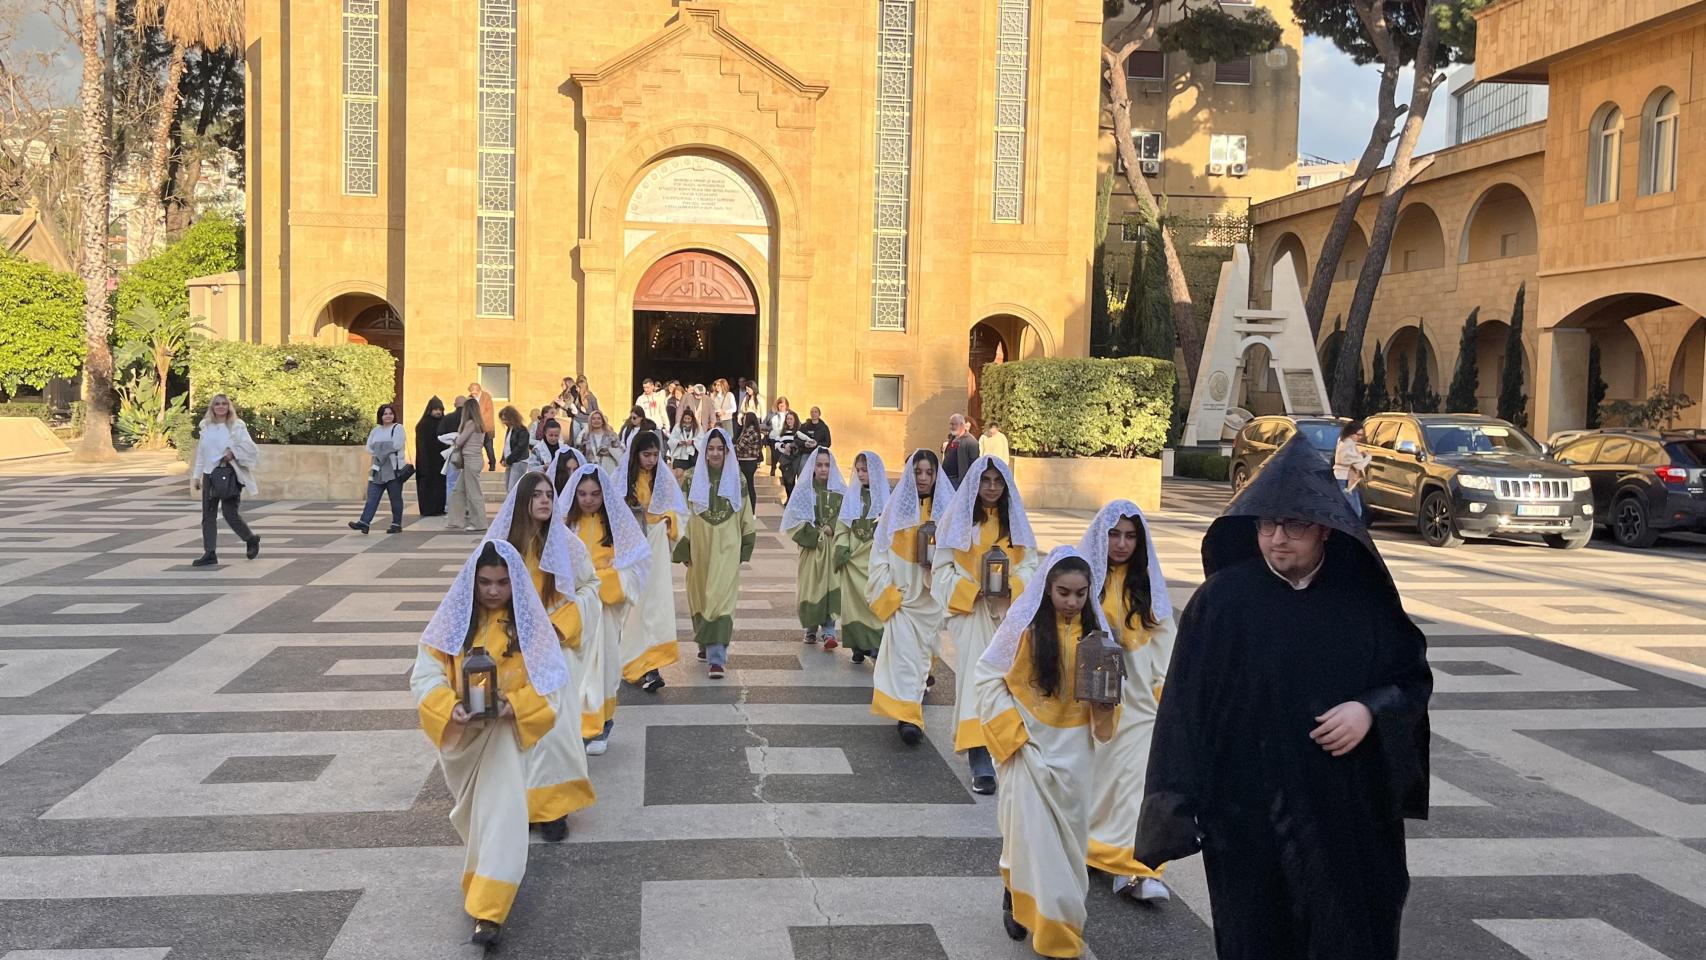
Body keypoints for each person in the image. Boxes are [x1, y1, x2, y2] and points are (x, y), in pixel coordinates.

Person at [1135, 436, 1433, 960]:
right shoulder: (1222, 602)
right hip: (1247, 816)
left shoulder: (1362, 602)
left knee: (1348, 936)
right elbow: (1183, 709)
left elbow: (1410, 681)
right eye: (1266, 525)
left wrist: (1369, 711)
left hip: (1345, 816)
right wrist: (1173, 805)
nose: (1277, 539)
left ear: (1323, 528)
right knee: (1257, 939)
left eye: (1293, 526)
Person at [411, 539, 570, 947]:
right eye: (485, 582)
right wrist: (450, 708)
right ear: (472, 582)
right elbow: (425, 675)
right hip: (464, 743)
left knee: (503, 818)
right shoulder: (451, 624)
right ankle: (481, 883)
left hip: (504, 740)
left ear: (515, 583)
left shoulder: (530, 628)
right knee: (476, 820)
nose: (494, 591)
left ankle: (490, 912)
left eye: (502, 582)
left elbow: (552, 687)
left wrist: (514, 706)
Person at [975, 546, 1113, 959]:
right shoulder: (1025, 632)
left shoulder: (1098, 642)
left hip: (1075, 757)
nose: (1072, 602)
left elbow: (1105, 713)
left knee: (1068, 846)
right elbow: (988, 680)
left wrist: (1106, 706)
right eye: (1063, 593)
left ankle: (1052, 911)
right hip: (1028, 750)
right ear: (1047, 591)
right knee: (1027, 836)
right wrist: (1013, 738)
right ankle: (1040, 920)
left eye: (1080, 594)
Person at [482, 473, 598, 843]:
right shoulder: (502, 546)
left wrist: (560, 624)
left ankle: (553, 808)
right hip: (510, 650)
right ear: (522, 502)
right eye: (537, 495)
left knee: (555, 728)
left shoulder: (568, 544)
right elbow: (481, 589)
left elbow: (590, 586)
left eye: (550, 494)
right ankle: (523, 805)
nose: (546, 500)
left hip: (553, 648)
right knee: (514, 729)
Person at [1076, 500, 1177, 903]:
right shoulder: (1082, 579)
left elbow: (1166, 637)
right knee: (1097, 783)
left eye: (1129, 536)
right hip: (1089, 702)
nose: (1120, 544)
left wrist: (1164, 689)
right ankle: (1090, 849)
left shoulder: (1149, 583)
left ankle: (1135, 870)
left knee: (1137, 784)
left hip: (1138, 704)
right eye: (1113, 534)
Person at [934, 455, 1038, 795]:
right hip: (973, 614)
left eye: (998, 481)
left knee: (1009, 683)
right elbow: (941, 570)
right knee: (976, 683)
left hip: (1008, 617)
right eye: (986, 481)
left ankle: (1005, 746)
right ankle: (979, 756)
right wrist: (970, 590)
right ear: (975, 484)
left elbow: (1031, 566)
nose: (992, 487)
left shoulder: (1015, 523)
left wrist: (1014, 586)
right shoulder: (959, 521)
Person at [559, 463, 650, 756]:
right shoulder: (564, 527)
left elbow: (635, 567)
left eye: (595, 494)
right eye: (582, 494)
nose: (588, 499)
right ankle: (577, 728)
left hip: (604, 611)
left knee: (605, 669)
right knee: (577, 670)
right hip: (574, 610)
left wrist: (604, 580)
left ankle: (601, 727)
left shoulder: (617, 528)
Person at [869, 449, 954, 745]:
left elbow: (956, 557)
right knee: (906, 659)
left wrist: (937, 568)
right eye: (918, 472)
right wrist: (889, 595)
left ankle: (912, 702)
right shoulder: (896, 512)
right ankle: (910, 718)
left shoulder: (946, 513)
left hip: (930, 604)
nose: (923, 478)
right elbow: (878, 558)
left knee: (921, 659)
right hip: (903, 602)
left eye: (929, 473)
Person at [674, 427, 757, 679]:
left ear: (727, 451)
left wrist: (746, 543)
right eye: (710, 448)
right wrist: (683, 546)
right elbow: (682, 514)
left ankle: (717, 657)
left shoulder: (738, 479)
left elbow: (745, 513)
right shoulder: (690, 478)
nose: (715, 453)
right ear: (704, 451)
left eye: (720, 448)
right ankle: (705, 641)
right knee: (700, 595)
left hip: (727, 547)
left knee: (721, 598)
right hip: (699, 547)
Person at [615, 431, 685, 693]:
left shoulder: (662, 480)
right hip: (630, 554)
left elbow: (679, 512)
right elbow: (611, 512)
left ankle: (652, 667)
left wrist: (668, 520)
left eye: (656, 455)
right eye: (646, 455)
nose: (652, 460)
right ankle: (633, 664)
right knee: (632, 608)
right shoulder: (623, 480)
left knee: (654, 605)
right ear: (635, 455)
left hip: (655, 552)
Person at [783, 448, 845, 648]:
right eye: (819, 465)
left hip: (832, 548)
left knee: (831, 585)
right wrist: (814, 534)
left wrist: (832, 527)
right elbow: (794, 519)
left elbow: (846, 515)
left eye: (827, 465)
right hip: (811, 550)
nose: (823, 469)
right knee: (811, 586)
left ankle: (829, 631)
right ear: (813, 466)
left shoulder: (839, 492)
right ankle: (810, 628)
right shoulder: (804, 491)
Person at [190, 393, 262, 567]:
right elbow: (201, 452)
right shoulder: (206, 426)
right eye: (217, 404)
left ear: (228, 407)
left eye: (224, 404)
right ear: (212, 407)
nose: (221, 407)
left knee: (230, 513)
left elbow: (250, 448)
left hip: (228, 474)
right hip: (209, 475)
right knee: (208, 515)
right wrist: (196, 476)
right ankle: (210, 553)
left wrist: (233, 453)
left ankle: (250, 539)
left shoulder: (237, 426)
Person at [835, 451, 888, 664]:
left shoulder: (886, 497)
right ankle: (857, 646)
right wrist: (842, 547)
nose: (861, 474)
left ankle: (875, 643)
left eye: (865, 470)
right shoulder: (852, 495)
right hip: (853, 560)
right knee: (854, 605)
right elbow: (843, 525)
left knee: (873, 602)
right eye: (858, 470)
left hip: (874, 559)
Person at [350, 403, 410, 534]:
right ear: (380, 416)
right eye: (385, 414)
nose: (388, 416)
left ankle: (396, 524)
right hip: (377, 469)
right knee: (372, 497)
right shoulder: (375, 430)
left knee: (395, 498)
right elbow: (369, 447)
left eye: (390, 413)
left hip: (394, 470)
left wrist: (379, 448)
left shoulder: (398, 428)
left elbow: (396, 445)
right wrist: (383, 449)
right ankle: (364, 523)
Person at [446, 396, 488, 532]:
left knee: (473, 493)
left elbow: (460, 441)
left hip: (471, 459)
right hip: (474, 459)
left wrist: (455, 438)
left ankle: (479, 523)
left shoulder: (470, 423)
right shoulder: (479, 423)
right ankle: (456, 521)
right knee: (458, 491)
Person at [415, 396, 449, 517]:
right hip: (427, 461)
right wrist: (424, 462)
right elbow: (422, 445)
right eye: (435, 409)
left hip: (441, 461)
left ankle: (439, 508)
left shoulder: (444, 422)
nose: (438, 412)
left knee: (440, 485)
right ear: (430, 410)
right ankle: (428, 509)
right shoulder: (423, 424)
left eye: (440, 409)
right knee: (428, 485)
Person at [1334, 419, 1372, 517]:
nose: (1359, 438)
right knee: (1354, 510)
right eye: (1358, 435)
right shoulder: (1347, 445)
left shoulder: (1344, 442)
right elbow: (1359, 465)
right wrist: (1368, 457)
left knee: (1352, 508)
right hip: (1345, 479)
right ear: (1351, 433)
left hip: (1347, 478)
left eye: (1361, 435)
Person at [733, 411, 764, 510]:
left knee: (749, 485)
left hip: (748, 462)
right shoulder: (752, 431)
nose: (743, 420)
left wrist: (732, 447)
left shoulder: (750, 431)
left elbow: (741, 446)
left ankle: (751, 509)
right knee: (747, 485)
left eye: (744, 418)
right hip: (747, 461)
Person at [578, 409, 623, 474]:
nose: (596, 421)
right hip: (590, 471)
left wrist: (610, 452)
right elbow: (581, 452)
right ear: (590, 421)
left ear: (603, 421)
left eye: (599, 418)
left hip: (608, 470)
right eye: (593, 419)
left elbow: (620, 451)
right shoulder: (586, 436)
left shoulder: (612, 435)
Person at [943, 413, 980, 488]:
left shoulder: (971, 442)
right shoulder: (952, 438)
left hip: (959, 482)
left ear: (962, 425)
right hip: (947, 480)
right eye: (951, 424)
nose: (952, 427)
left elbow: (974, 464)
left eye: (955, 424)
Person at [499, 406, 531, 491]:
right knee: (508, 488)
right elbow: (507, 445)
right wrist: (503, 458)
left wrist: (508, 459)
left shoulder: (522, 430)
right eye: (502, 419)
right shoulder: (510, 429)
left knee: (513, 489)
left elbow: (520, 448)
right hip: (511, 461)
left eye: (506, 419)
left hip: (519, 462)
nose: (504, 422)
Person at [468, 381, 497, 471]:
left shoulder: (486, 397)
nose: (473, 394)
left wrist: (478, 421)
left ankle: (492, 464)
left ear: (478, 390)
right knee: (476, 449)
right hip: (475, 429)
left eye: (474, 392)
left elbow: (489, 413)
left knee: (489, 448)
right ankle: (477, 466)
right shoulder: (469, 398)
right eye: (471, 392)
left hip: (487, 428)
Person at [667, 407, 701, 482]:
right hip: (681, 454)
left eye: (689, 419)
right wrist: (678, 442)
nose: (687, 421)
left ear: (692, 419)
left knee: (693, 475)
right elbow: (671, 439)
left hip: (693, 454)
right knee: (678, 474)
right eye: (685, 418)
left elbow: (701, 439)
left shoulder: (698, 427)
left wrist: (693, 442)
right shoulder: (677, 426)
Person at [776, 409, 802, 500]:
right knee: (786, 480)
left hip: (795, 458)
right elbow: (777, 444)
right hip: (785, 458)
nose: (789, 421)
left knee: (792, 480)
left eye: (791, 419)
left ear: (795, 420)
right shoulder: (783, 431)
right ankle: (788, 498)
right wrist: (784, 445)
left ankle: (793, 500)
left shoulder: (798, 432)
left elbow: (801, 443)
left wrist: (791, 446)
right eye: (788, 419)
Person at [764, 396, 791, 477]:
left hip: (786, 437)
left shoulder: (790, 414)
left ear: (786, 405)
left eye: (783, 405)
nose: (781, 407)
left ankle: (784, 469)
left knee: (784, 454)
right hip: (774, 437)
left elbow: (797, 424)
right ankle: (773, 468)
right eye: (780, 405)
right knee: (775, 453)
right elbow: (766, 424)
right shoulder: (772, 413)